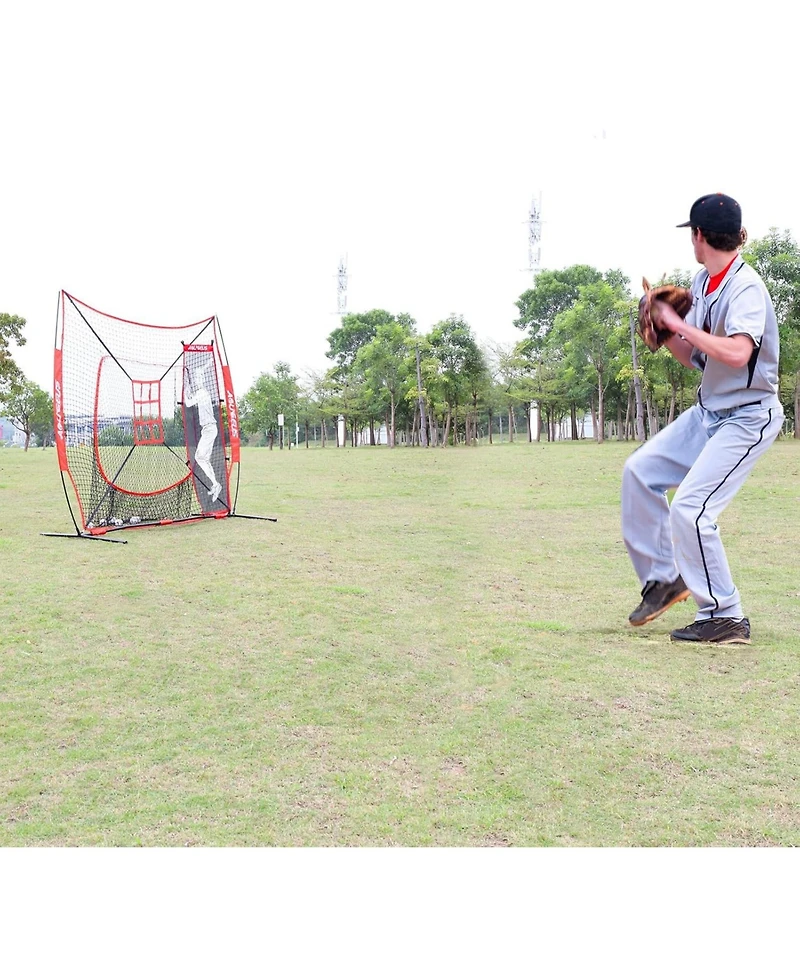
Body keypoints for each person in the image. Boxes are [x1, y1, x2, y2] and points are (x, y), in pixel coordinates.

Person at [622, 193, 783, 644]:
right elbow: (697, 357)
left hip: (748, 418)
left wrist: (680, 321)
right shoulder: (704, 281)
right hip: (710, 411)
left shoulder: (745, 286)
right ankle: (665, 580)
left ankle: (726, 615)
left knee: (692, 509)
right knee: (639, 471)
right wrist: (664, 328)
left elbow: (737, 352)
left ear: (699, 235)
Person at [183, 369, 223, 503]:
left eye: (199, 377)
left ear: (204, 379)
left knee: (199, 457)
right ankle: (215, 484)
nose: (197, 380)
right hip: (207, 430)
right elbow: (191, 400)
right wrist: (188, 392)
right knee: (204, 459)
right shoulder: (201, 393)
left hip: (209, 429)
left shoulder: (202, 393)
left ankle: (216, 484)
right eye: (195, 378)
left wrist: (185, 392)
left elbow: (188, 403)